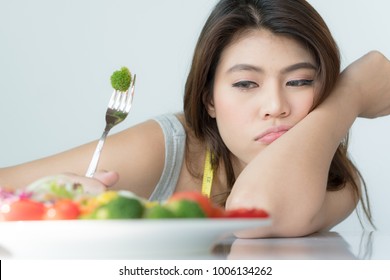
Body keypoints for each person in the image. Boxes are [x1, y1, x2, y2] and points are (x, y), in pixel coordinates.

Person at [1, 0, 390, 238]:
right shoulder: (168, 148)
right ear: (208, 100)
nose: (275, 105)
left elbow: (255, 213)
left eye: (300, 81)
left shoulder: (333, 179)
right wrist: (48, 199)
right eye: (245, 84)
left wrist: (349, 93)